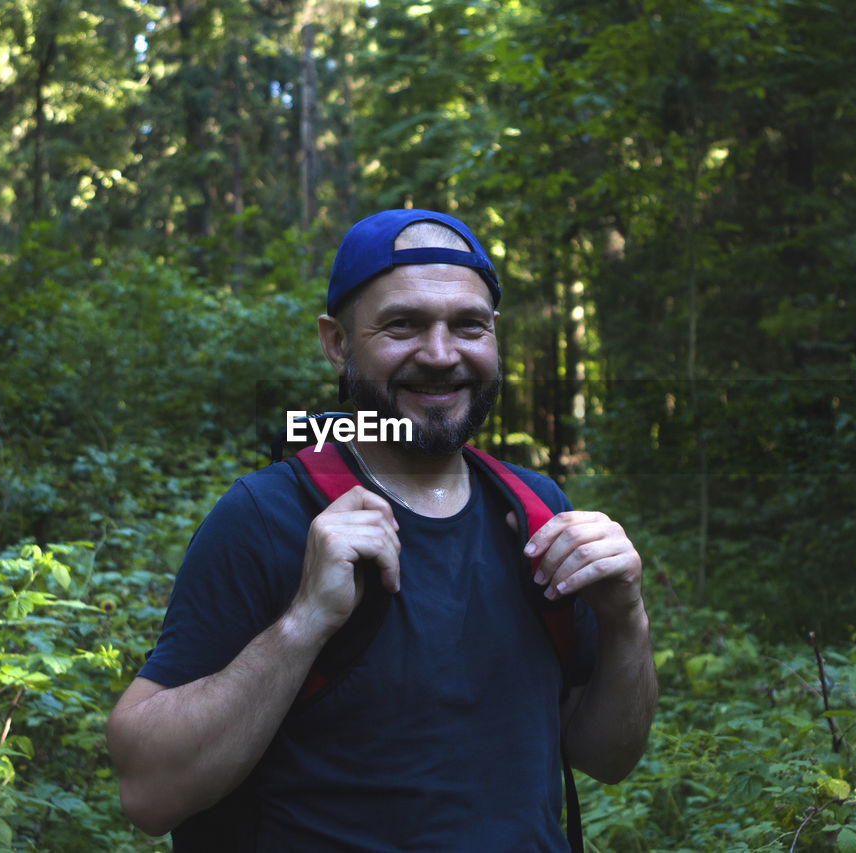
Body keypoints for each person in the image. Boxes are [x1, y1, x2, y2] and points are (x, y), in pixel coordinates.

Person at [106, 209, 657, 851]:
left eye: (468, 325)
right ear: (337, 343)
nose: (441, 354)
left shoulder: (536, 507)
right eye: (404, 325)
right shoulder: (266, 515)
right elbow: (146, 791)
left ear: (494, 337)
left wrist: (627, 620)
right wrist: (304, 622)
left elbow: (607, 756)